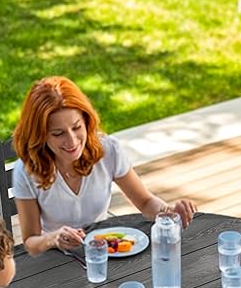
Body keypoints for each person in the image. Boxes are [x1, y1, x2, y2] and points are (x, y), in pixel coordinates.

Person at [12, 76, 198, 256]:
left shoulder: (108, 150)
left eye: (76, 127)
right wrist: (53, 239)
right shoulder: (27, 170)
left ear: (86, 121)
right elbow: (31, 242)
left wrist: (168, 213)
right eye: (58, 133)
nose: (72, 141)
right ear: (41, 135)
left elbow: (145, 202)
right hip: (55, 258)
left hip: (103, 250)